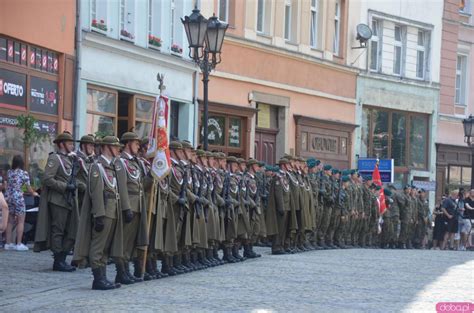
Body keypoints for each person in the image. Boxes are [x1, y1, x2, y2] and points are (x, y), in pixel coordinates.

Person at [73, 135, 127, 290]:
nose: (118, 150)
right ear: (107, 147)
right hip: (104, 211)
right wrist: (99, 215)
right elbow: (96, 192)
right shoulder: (98, 167)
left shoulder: (111, 166)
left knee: (105, 247)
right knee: (98, 246)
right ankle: (98, 279)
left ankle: (103, 277)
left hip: (113, 210)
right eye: (116, 147)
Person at [34, 132, 79, 271]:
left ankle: (63, 257)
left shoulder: (69, 159)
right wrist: (65, 187)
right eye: (70, 143)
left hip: (69, 200)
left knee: (71, 230)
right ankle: (58, 260)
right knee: (58, 230)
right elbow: (47, 179)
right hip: (58, 200)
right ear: (61, 144)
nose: (72, 145)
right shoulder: (55, 158)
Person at [4, 155, 38, 251]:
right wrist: (34, 193)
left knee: (10, 221)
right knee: (21, 221)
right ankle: (18, 244)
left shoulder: (9, 172)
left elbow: (9, 185)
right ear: (22, 163)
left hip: (9, 197)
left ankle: (8, 243)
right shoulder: (24, 173)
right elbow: (28, 188)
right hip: (18, 197)